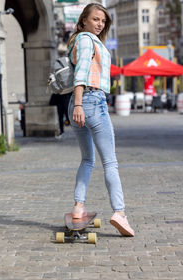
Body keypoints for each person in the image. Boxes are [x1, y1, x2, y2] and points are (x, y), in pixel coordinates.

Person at [67, 3, 134, 237]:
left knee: (87, 160)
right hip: (90, 101)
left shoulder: (77, 40)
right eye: (95, 19)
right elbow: (82, 72)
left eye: (103, 21)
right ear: (83, 20)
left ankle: (78, 207)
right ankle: (120, 212)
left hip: (79, 105)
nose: (100, 24)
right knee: (110, 163)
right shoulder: (87, 40)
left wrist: (76, 105)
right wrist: (79, 104)